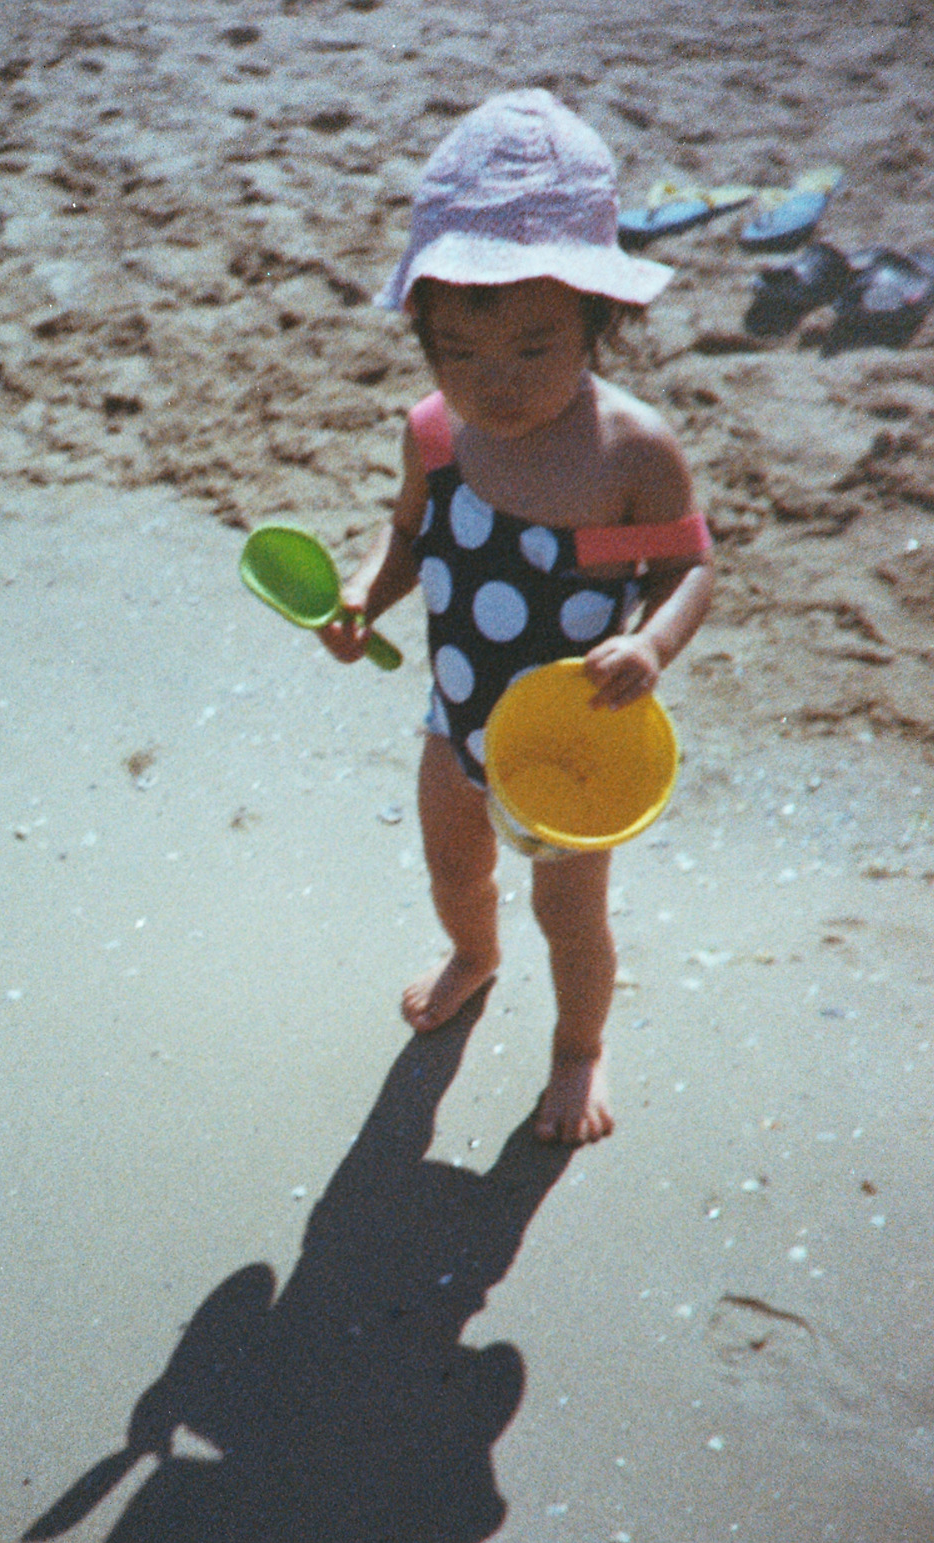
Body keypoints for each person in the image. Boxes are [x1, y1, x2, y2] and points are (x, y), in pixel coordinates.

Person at [318, 91, 714, 1146]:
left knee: (569, 916)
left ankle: (578, 1049)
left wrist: (651, 643)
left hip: (575, 741)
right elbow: (407, 538)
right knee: (454, 869)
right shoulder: (435, 434)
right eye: (459, 351)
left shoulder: (629, 451)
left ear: (598, 319)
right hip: (457, 720)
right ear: (423, 335)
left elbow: (689, 569)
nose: (493, 382)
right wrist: (361, 595)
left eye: (533, 349)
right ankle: (473, 954)